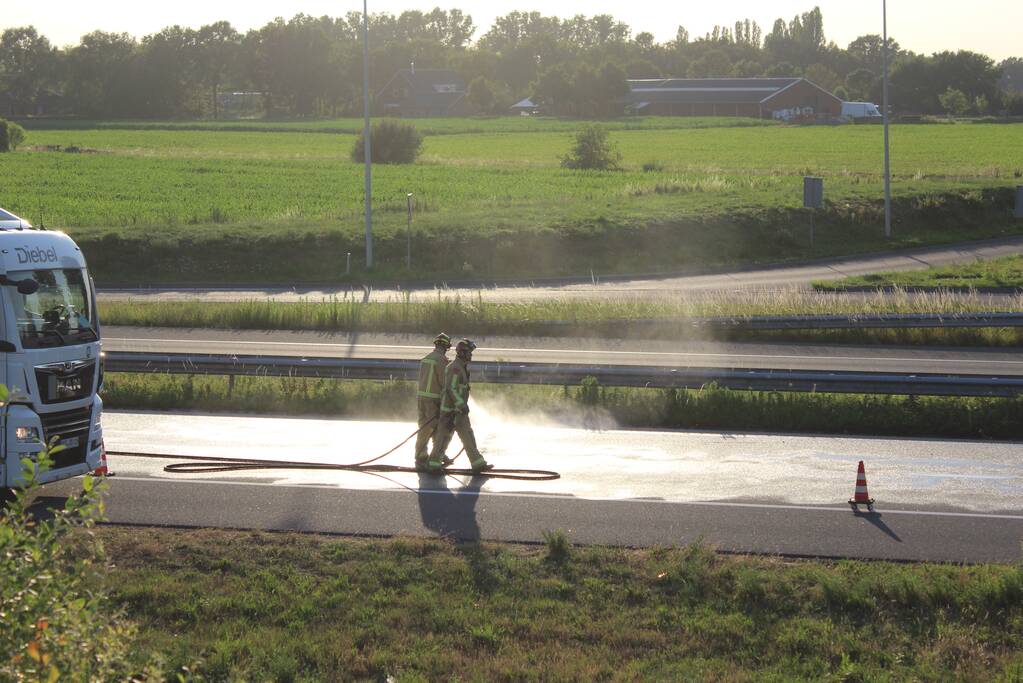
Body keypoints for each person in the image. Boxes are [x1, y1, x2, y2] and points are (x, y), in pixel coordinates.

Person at [428, 338, 493, 473]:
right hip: (450, 411)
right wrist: (460, 404)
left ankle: (478, 463)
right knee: (443, 438)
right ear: (462, 353)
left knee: (468, 436)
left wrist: (461, 407)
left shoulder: (461, 367)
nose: (471, 355)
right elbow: (451, 389)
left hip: (459, 412)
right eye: (469, 352)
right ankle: (434, 465)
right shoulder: (455, 368)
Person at [414, 333, 451, 469]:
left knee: (423, 427)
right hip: (434, 399)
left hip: (421, 397)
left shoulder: (426, 359)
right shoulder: (442, 361)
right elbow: (444, 382)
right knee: (438, 428)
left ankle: (421, 454)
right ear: (447, 346)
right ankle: (438, 454)